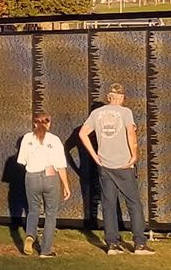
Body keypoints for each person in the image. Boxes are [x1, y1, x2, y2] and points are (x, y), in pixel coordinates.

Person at [80, 82, 153, 255]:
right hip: (123, 164)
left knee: (108, 204)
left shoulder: (96, 113)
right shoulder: (125, 112)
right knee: (134, 203)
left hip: (104, 164)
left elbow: (82, 133)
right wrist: (134, 154)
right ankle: (139, 244)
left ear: (108, 97)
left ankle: (112, 244)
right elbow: (130, 133)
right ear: (121, 98)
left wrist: (95, 155)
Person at [17, 112, 72, 257]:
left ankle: (30, 235)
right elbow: (61, 166)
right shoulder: (54, 140)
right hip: (50, 176)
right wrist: (66, 186)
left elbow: (22, 161)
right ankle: (46, 250)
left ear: (35, 123)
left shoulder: (27, 138)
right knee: (51, 213)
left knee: (33, 210)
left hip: (32, 177)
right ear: (49, 124)